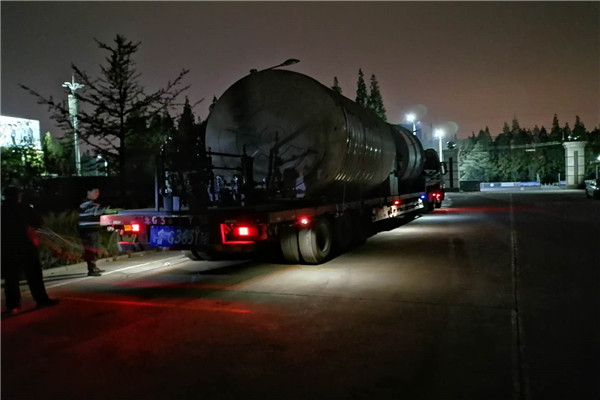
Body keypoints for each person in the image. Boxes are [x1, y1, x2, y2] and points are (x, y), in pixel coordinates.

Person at [1, 186, 59, 315]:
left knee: (11, 278)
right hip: (26, 245)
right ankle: (41, 300)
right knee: (34, 275)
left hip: (7, 248)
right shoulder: (24, 208)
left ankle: (13, 305)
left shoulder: (2, 210)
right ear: (18, 196)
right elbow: (38, 222)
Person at [78, 187, 107, 277]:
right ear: (88, 192)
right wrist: (107, 209)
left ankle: (94, 266)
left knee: (94, 248)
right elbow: (98, 211)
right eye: (95, 191)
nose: (97, 193)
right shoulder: (85, 204)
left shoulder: (92, 204)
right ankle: (91, 269)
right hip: (88, 230)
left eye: (98, 192)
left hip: (93, 229)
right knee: (91, 249)